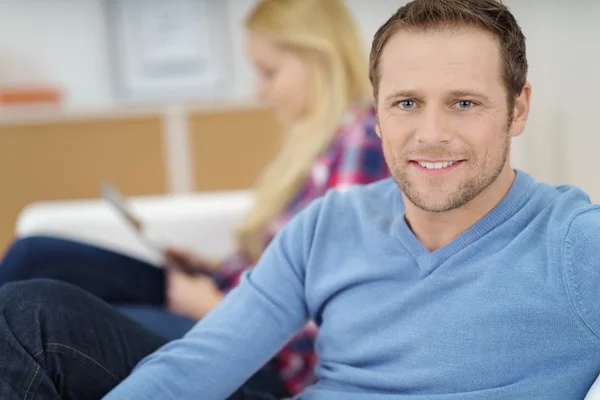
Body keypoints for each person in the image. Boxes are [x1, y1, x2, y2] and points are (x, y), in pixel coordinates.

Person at [2, 0, 600, 399]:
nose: (431, 133)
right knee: (31, 312)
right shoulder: (330, 224)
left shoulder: (575, 243)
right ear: (378, 109)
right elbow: (197, 365)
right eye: (406, 103)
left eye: (464, 103)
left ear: (518, 108)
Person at [0, 0, 389, 397]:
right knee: (37, 254)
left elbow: (333, 318)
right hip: (228, 298)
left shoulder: (360, 145)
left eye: (269, 73)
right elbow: (293, 262)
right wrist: (217, 268)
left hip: (258, 351)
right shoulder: (319, 147)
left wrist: (209, 307)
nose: (259, 90)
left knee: (28, 315)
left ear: (319, 59)